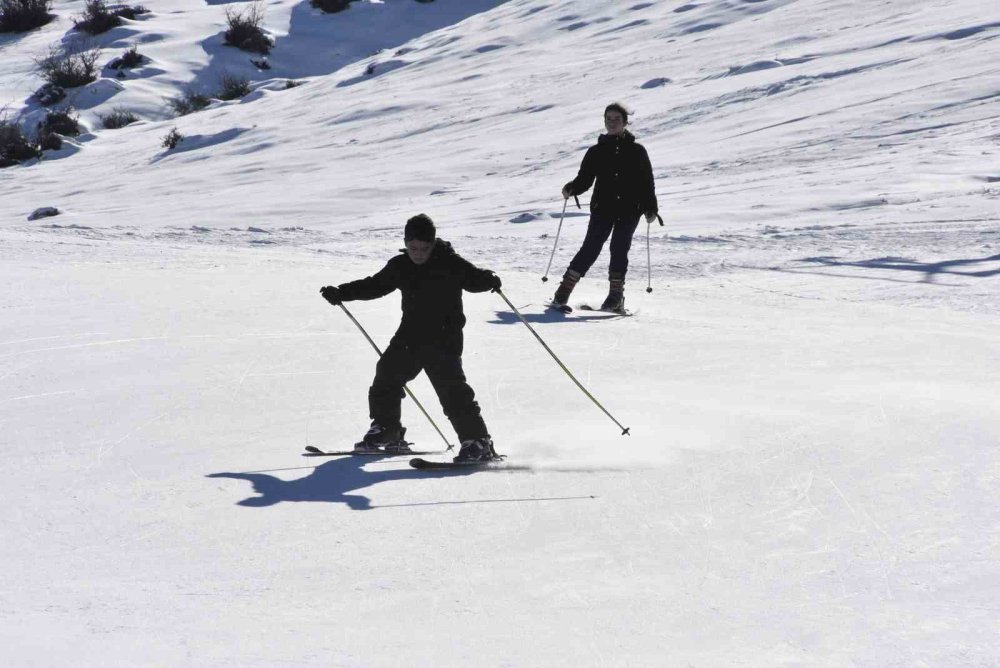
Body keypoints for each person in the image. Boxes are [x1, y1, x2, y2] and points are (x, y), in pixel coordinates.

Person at [320, 214, 502, 463]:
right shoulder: (400, 265)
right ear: (405, 243)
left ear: (433, 243)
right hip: (411, 334)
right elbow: (375, 285)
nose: (417, 253)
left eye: (424, 248)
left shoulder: (449, 262)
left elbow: (472, 278)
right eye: (412, 247)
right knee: (386, 373)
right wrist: (342, 292)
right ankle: (387, 430)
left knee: (451, 388)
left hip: (443, 337)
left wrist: (487, 279)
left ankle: (478, 441)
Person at [552, 102, 659, 313]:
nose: (612, 122)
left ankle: (615, 297)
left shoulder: (637, 151)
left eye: (616, 119)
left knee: (619, 249)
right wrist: (572, 188)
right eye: (608, 119)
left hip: (630, 209)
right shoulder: (596, 151)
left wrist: (650, 207)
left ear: (625, 122)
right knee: (590, 248)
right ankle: (563, 292)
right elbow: (585, 179)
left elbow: (647, 182)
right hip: (603, 208)